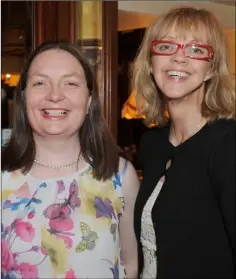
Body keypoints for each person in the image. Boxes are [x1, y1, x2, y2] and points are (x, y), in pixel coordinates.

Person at [1, 41, 139, 279]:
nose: (54, 95)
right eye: (40, 83)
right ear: (23, 98)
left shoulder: (121, 175)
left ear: (88, 101)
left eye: (71, 83)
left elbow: (131, 264)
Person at [132, 7, 235, 279]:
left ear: (211, 69)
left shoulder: (227, 145)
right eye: (166, 46)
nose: (179, 57)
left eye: (196, 49)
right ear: (151, 62)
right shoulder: (152, 144)